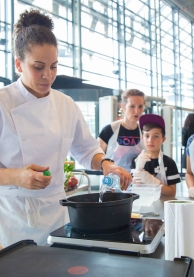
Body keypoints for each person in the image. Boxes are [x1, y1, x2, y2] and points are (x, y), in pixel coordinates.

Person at [0, 9, 132, 248]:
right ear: (18, 64)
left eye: (53, 66)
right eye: (38, 67)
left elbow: (87, 150)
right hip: (12, 219)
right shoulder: (2, 102)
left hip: (56, 214)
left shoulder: (65, 104)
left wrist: (106, 164)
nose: (47, 76)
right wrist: (17, 176)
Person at [132, 114, 181, 197]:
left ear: (163, 139)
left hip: (163, 207)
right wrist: (138, 169)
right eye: (147, 136)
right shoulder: (136, 160)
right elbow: (134, 192)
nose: (150, 140)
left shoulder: (169, 163)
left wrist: (153, 182)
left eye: (156, 136)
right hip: (142, 207)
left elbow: (172, 193)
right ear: (142, 137)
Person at [98, 89, 145, 172]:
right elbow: (96, 158)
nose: (137, 111)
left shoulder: (145, 132)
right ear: (123, 106)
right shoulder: (109, 130)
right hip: (113, 181)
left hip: (138, 182)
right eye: (132, 106)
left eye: (140, 106)